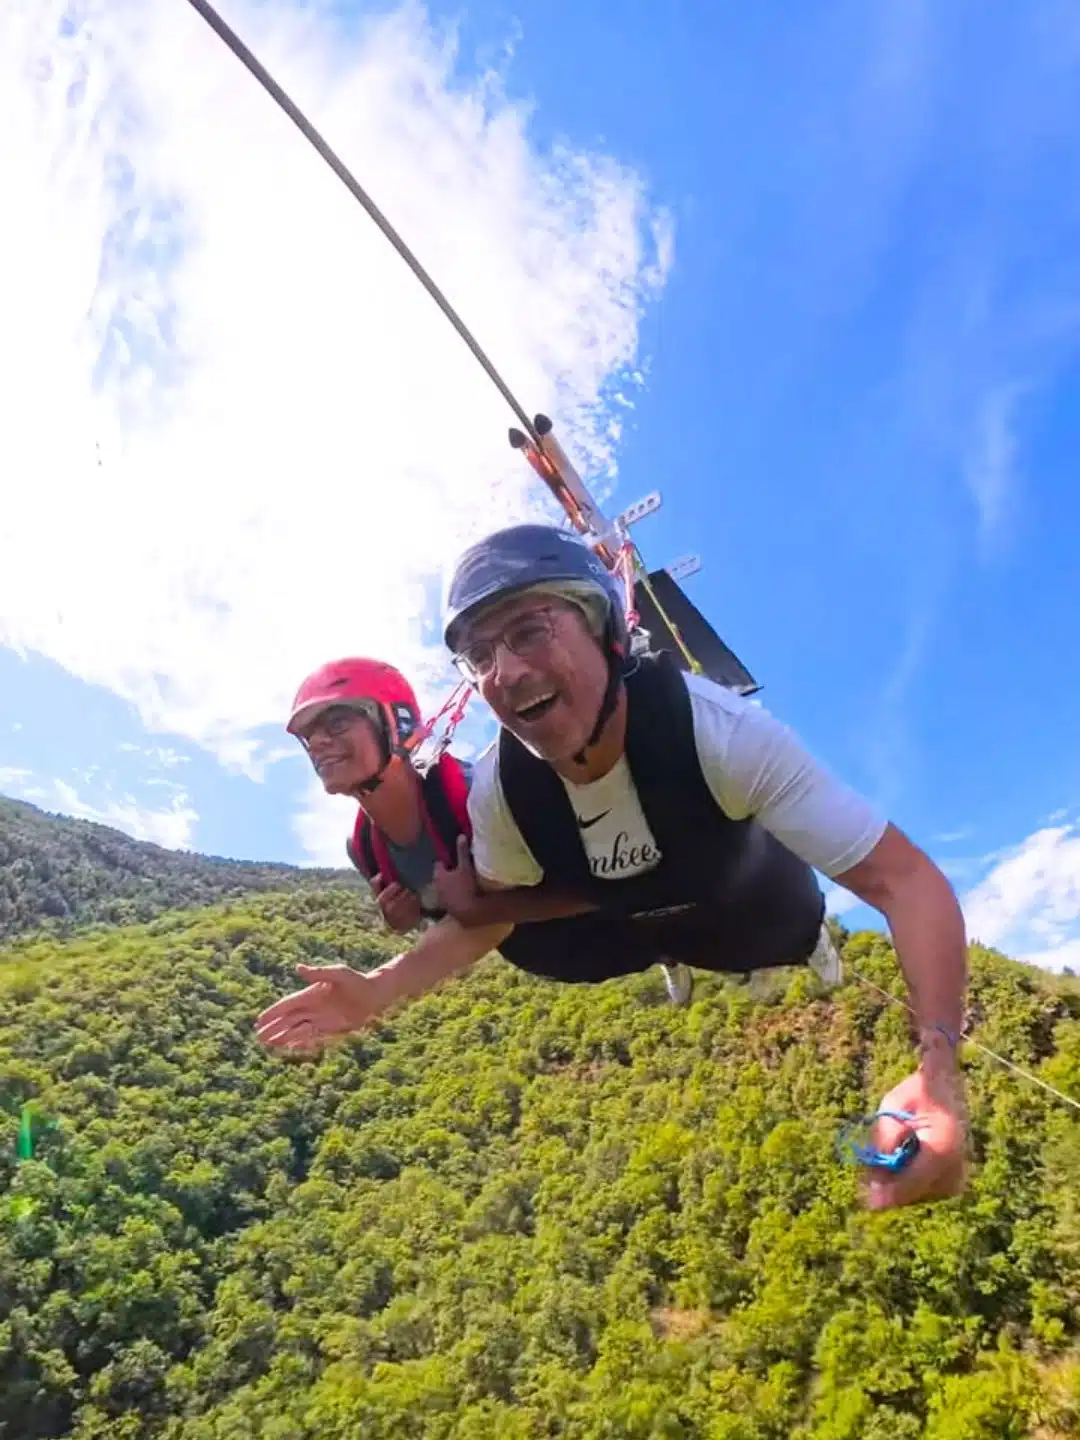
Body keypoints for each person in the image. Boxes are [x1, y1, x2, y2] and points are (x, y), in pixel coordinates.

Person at [258, 525, 969, 1212]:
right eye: (479, 654)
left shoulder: (720, 733)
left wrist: (938, 1070)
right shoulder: (502, 794)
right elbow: (489, 920)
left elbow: (903, 880)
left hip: (738, 890)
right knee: (609, 935)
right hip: (636, 909)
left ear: (606, 631)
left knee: (782, 920)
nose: (506, 671)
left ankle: (808, 944)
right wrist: (380, 991)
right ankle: (674, 950)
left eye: (531, 630)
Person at [286, 652, 697, 1006]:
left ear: (398, 723)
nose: (318, 743)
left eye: (337, 724)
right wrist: (403, 921)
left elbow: (596, 883)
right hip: (538, 954)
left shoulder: (478, 794)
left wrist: (477, 909)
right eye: (309, 736)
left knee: (656, 936)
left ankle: (669, 952)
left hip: (600, 922)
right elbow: (451, 919)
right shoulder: (363, 846)